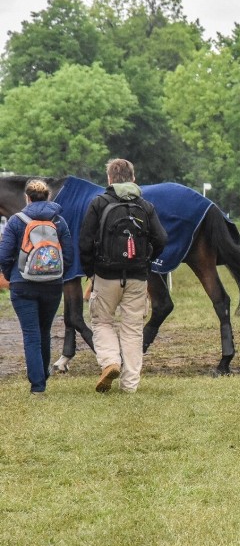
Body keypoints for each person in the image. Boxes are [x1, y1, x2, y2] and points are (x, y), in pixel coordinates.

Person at [79, 159, 167, 393]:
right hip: (137, 276)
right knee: (132, 329)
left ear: (109, 179)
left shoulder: (98, 203)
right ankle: (130, 385)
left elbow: (85, 242)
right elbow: (161, 239)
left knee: (102, 321)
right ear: (133, 178)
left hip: (105, 275)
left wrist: (91, 272)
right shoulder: (145, 206)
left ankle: (110, 362)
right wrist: (145, 261)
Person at [0, 179, 74, 396]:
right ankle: (42, 374)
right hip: (52, 285)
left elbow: (3, 256)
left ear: (27, 197)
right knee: (45, 331)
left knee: (31, 334)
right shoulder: (59, 221)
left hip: (22, 284)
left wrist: (10, 275)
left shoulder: (16, 221)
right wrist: (56, 275)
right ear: (48, 197)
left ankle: (38, 385)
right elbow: (68, 256)